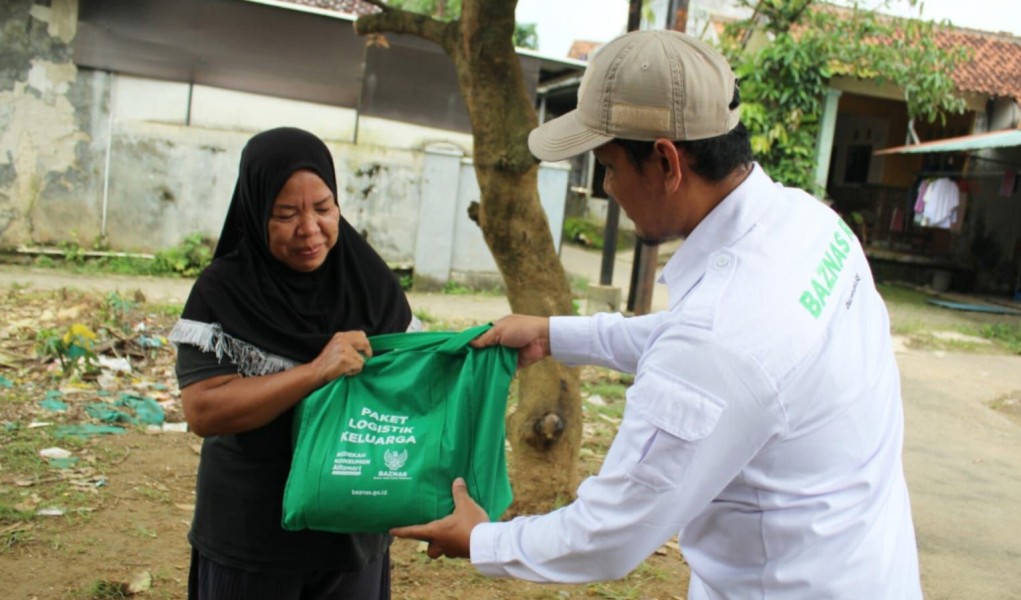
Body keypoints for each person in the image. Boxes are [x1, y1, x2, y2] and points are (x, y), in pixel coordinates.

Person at [390, 30, 923, 599]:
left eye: (609, 166)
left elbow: (610, 533)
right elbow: (701, 343)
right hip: (870, 568)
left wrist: (483, 540)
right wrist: (553, 334)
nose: (607, 187)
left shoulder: (717, 340)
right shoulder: (810, 224)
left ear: (667, 161)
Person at [169, 127, 415, 600]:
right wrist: (314, 372)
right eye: (285, 214)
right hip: (253, 537)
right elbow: (204, 410)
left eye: (323, 208)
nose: (309, 229)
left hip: (352, 534)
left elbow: (407, 390)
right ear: (255, 210)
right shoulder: (223, 291)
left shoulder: (371, 284)